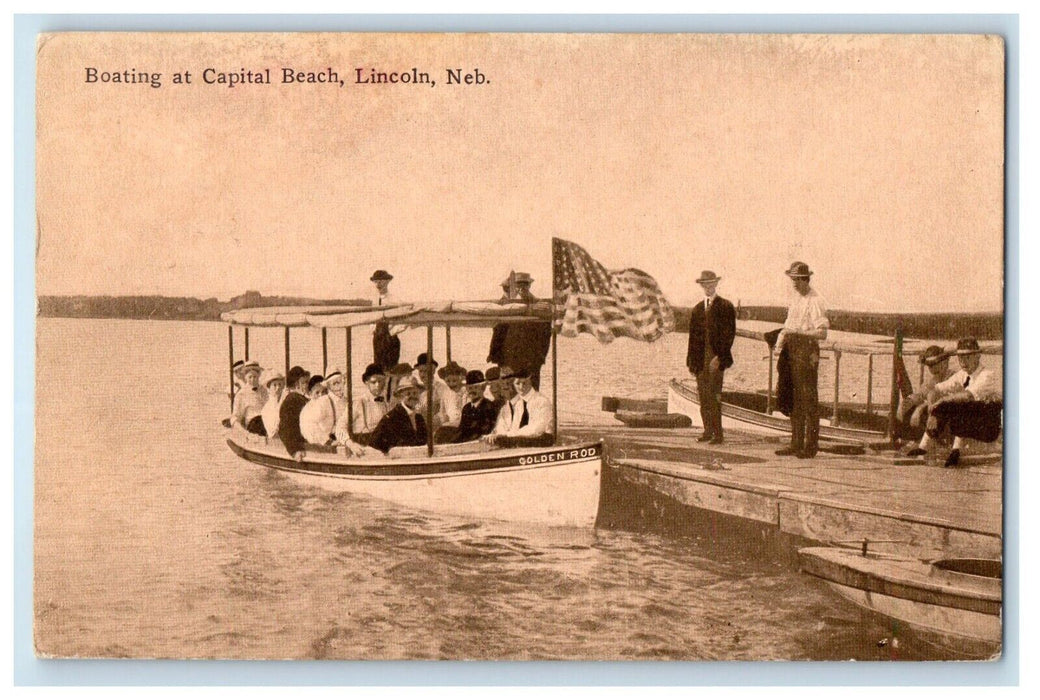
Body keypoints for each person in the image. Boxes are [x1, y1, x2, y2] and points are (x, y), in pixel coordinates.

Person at [905, 337, 1002, 467]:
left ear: (978, 356)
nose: (963, 362)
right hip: (971, 421)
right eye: (960, 358)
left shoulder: (987, 375)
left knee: (955, 404)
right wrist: (933, 410)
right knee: (947, 405)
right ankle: (925, 447)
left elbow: (967, 396)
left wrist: (940, 402)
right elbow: (935, 389)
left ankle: (956, 450)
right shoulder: (962, 375)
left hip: (990, 426)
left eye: (967, 357)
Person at [774, 262, 829, 459]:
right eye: (792, 280)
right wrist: (780, 342)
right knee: (794, 398)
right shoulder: (795, 299)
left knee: (808, 399)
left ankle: (811, 446)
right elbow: (788, 325)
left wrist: (799, 333)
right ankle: (795, 443)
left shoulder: (816, 300)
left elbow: (822, 333)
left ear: (806, 279)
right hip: (792, 350)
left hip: (807, 351)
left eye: (797, 280)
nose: (794, 284)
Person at [685, 270, 737, 444]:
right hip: (700, 359)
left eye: (710, 283)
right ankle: (707, 431)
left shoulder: (726, 306)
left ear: (715, 284)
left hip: (716, 358)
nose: (707, 287)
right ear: (701, 286)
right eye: (704, 284)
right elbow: (692, 338)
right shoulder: (697, 309)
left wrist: (720, 357)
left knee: (715, 396)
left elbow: (729, 335)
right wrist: (691, 362)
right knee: (703, 396)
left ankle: (718, 434)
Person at [487, 273, 552, 390]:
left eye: (524, 285)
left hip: (531, 360)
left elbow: (546, 334)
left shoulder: (539, 305)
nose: (521, 288)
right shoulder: (507, 305)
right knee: (509, 391)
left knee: (531, 391)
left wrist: (540, 359)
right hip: (509, 359)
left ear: (529, 286)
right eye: (518, 285)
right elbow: (498, 333)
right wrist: (499, 360)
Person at [485, 369, 554, 448]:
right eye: (518, 383)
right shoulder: (517, 405)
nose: (521, 387)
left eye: (524, 383)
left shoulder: (541, 401)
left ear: (530, 382)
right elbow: (513, 428)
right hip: (520, 445)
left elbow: (536, 429)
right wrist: (498, 435)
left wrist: (508, 435)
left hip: (541, 445)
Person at [896, 346, 954, 437]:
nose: (933, 369)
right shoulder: (933, 380)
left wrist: (921, 408)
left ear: (945, 362)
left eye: (936, 364)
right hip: (934, 415)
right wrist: (907, 402)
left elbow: (945, 400)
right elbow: (920, 394)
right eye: (930, 366)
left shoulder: (953, 377)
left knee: (923, 414)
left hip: (948, 417)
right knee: (904, 411)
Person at [368, 376, 429, 454]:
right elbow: (374, 445)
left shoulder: (419, 418)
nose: (412, 396)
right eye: (408, 394)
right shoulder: (391, 418)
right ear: (400, 396)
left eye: (415, 393)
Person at [337, 363, 388, 446]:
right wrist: (350, 444)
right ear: (366, 383)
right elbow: (340, 427)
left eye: (380, 381)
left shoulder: (385, 403)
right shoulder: (359, 402)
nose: (377, 385)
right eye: (373, 382)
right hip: (362, 448)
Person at [300, 370, 346, 446]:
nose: (321, 395)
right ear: (310, 394)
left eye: (324, 391)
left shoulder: (331, 402)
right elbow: (309, 426)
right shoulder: (310, 409)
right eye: (317, 393)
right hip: (320, 444)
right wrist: (327, 441)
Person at [371, 269, 402, 377]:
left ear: (387, 282)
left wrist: (392, 332)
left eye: (381, 281)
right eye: (376, 282)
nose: (378, 284)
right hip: (378, 338)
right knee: (378, 368)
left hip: (390, 338)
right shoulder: (375, 300)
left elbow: (402, 318)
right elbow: (372, 317)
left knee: (391, 368)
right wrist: (373, 330)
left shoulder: (394, 299)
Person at [455, 370, 500, 443]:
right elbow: (461, 430)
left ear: (483, 388)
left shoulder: (489, 407)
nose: (472, 391)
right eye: (469, 388)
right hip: (464, 444)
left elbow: (485, 431)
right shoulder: (466, 408)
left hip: (480, 443)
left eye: (475, 388)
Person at [231, 360, 268, 435]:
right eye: (250, 377)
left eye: (255, 377)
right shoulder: (241, 394)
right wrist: (245, 433)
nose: (253, 380)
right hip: (253, 425)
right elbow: (235, 418)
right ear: (245, 377)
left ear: (259, 375)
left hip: (268, 423)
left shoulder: (265, 391)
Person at [433, 361, 467, 442]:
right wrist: (442, 420)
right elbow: (442, 411)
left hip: (463, 424)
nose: (451, 384)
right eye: (448, 381)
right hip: (449, 424)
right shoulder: (446, 393)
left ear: (460, 378)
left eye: (454, 381)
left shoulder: (465, 392)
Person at [259, 369, 286, 439]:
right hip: (276, 439)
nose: (278, 387)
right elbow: (272, 432)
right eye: (274, 385)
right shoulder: (266, 409)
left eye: (280, 384)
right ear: (269, 388)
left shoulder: (286, 401)